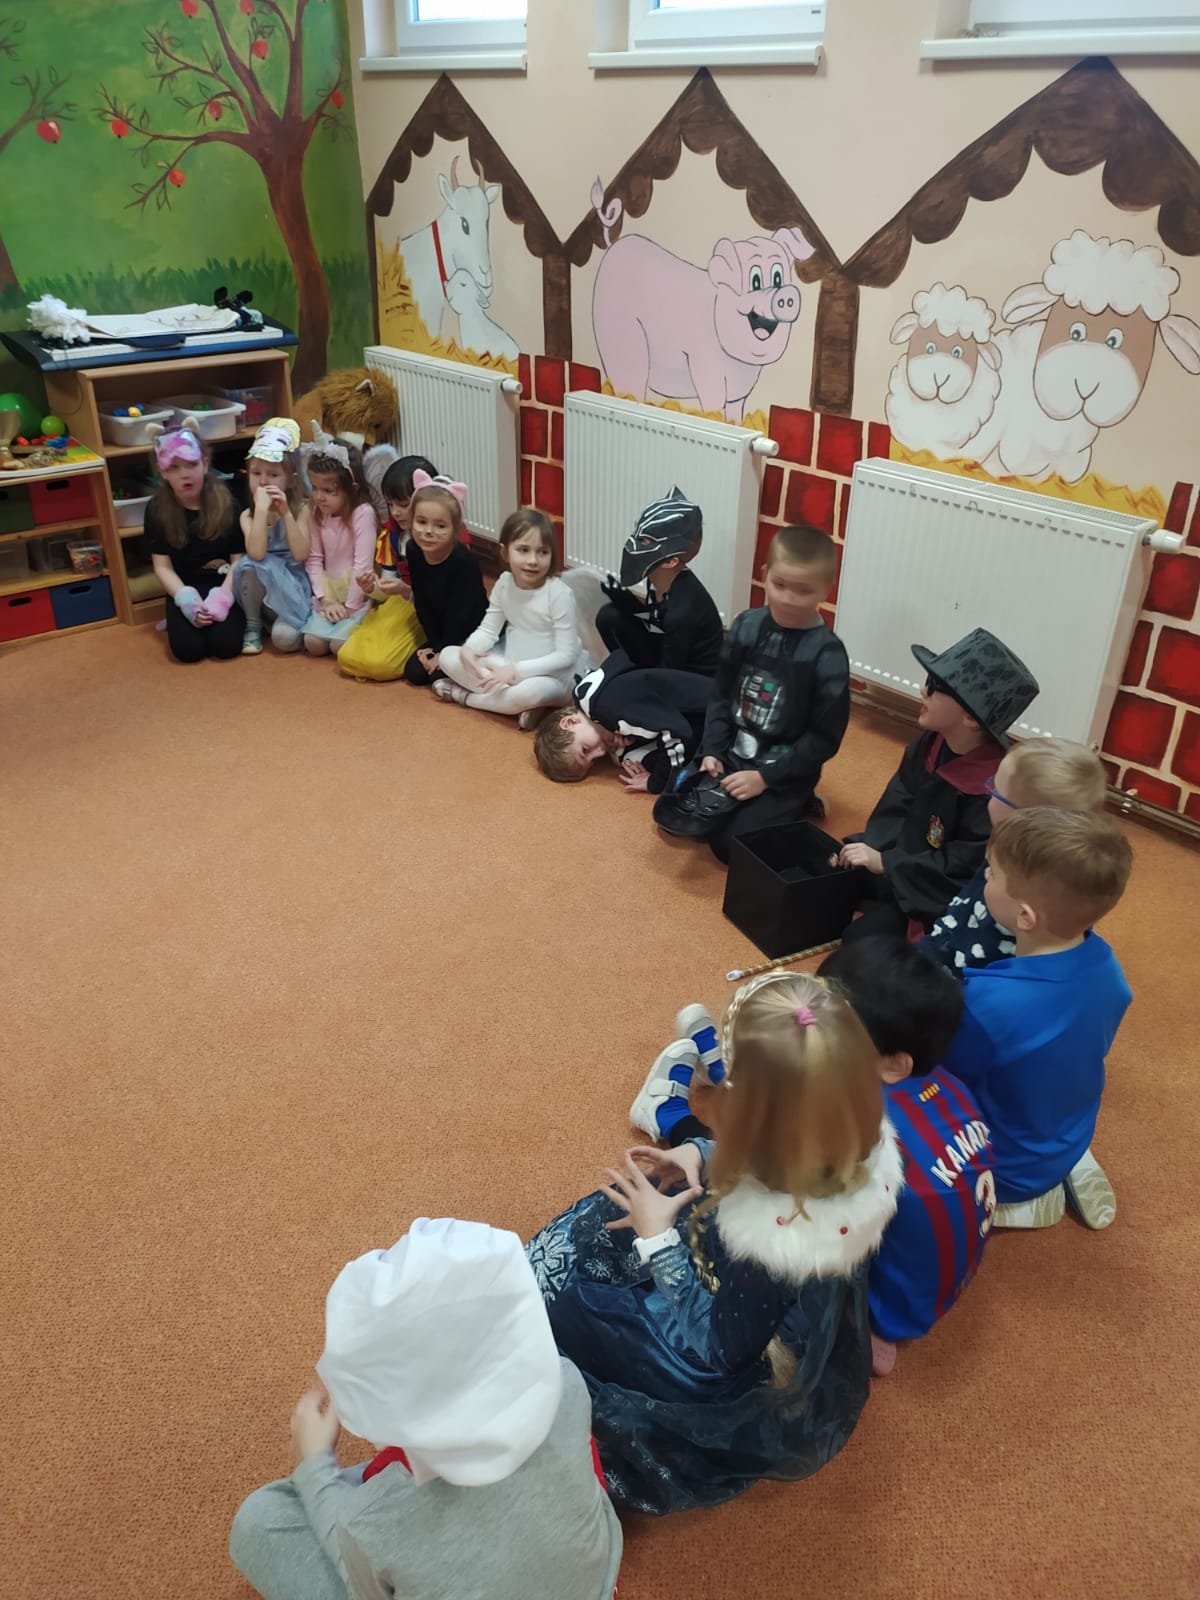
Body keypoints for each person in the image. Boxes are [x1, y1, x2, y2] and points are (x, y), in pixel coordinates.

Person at [526, 971, 902, 1515]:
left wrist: (658, 1239)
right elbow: (754, 1158)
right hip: (760, 1282)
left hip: (718, 1347)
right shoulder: (840, 1133)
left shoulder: (775, 1244)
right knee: (632, 1206)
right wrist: (700, 1153)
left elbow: (718, 1348)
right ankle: (669, 1128)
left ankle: (662, 1121)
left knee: (571, 1284)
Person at [629, 940, 988, 1381]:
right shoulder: (879, 1109)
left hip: (858, 1309)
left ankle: (673, 1114)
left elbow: (722, 1348)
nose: (812, 1021)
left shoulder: (783, 1215)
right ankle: (728, 1064)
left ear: (892, 1063)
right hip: (887, 1271)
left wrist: (657, 1242)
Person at [230, 1218, 622, 1600]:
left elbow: (362, 1586)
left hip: (391, 1531)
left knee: (260, 1519)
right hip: (591, 1584)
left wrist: (315, 1463)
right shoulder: (566, 1381)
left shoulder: (375, 1514)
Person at [942, 806, 1133, 1230]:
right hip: (1070, 1130)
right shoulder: (1109, 969)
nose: (984, 876)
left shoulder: (987, 1002)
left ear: (1025, 917)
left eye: (992, 873)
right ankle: (1063, 1163)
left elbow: (948, 1078)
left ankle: (1018, 1203)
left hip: (1004, 1167)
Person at [818, 939, 991, 1376]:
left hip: (888, 1307)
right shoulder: (950, 1085)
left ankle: (871, 1331)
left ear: (894, 1064)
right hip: (944, 1279)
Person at [655, 524, 849, 864]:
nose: (787, 598)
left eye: (803, 591)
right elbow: (721, 695)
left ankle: (800, 801)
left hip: (783, 768)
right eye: (779, 584)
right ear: (764, 575)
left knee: (729, 846)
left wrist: (765, 778)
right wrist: (712, 750)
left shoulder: (828, 655)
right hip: (734, 753)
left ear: (826, 589)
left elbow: (824, 739)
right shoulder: (747, 625)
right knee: (673, 815)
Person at [835, 627, 1039, 940]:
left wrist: (888, 864)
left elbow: (959, 868)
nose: (922, 691)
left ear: (969, 718)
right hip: (908, 860)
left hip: (938, 890)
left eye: (934, 688)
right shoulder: (931, 743)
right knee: (835, 868)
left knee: (858, 940)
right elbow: (898, 803)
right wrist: (875, 850)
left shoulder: (992, 792)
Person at [923, 736, 1107, 973]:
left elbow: (976, 959)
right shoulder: (1008, 849)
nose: (988, 793)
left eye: (995, 789)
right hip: (952, 934)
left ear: (1020, 818)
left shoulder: (1026, 893)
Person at [435, 509, 584, 729]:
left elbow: (566, 656)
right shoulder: (504, 583)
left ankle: (465, 697)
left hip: (554, 678)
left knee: (530, 692)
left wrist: (515, 671)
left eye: (542, 552)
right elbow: (488, 630)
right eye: (523, 550)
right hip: (510, 665)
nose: (532, 561)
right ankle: (515, 705)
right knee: (448, 655)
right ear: (505, 552)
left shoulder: (559, 594)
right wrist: (469, 649)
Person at [532, 648, 713, 793]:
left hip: (714, 713)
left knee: (649, 763)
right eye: (593, 761)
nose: (600, 753)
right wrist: (630, 734)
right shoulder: (589, 697)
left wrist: (656, 782)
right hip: (693, 698)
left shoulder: (611, 710)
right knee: (627, 756)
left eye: (585, 750)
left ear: (570, 722)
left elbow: (677, 733)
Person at [596, 487, 724, 677]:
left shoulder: (683, 609)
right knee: (609, 616)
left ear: (670, 561)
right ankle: (626, 672)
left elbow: (668, 673)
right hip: (668, 652)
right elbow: (657, 628)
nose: (633, 543)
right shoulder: (661, 583)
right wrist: (630, 605)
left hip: (691, 681)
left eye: (645, 541)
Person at [145, 423, 246, 664]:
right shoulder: (157, 510)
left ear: (205, 464)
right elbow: (162, 567)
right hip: (183, 588)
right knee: (188, 651)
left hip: (223, 584)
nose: (185, 474)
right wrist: (185, 600)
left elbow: (239, 560)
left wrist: (222, 598)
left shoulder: (228, 503)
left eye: (191, 464)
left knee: (225, 646)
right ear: (163, 472)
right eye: (174, 467)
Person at [338, 454, 436, 683]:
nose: (396, 512)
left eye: (403, 504)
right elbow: (387, 588)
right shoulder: (393, 536)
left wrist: (406, 591)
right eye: (390, 504)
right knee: (348, 655)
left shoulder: (442, 541)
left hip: (430, 610)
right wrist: (372, 587)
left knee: (381, 664)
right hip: (401, 603)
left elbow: (443, 597)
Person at [402, 471, 488, 687]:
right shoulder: (413, 549)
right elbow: (422, 600)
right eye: (421, 522)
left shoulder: (464, 561)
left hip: (469, 631)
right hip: (440, 631)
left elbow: (463, 614)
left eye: (440, 526)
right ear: (411, 521)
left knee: (438, 675)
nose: (428, 532)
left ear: (455, 529)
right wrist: (434, 644)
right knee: (414, 673)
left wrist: (444, 650)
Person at [234, 418, 312, 655]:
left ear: (291, 480)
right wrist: (260, 511)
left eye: (273, 474)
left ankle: (285, 624)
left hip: (292, 590)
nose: (263, 481)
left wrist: (285, 513)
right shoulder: (247, 516)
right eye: (256, 473)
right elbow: (257, 554)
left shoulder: (302, 509)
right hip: (261, 591)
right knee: (249, 566)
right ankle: (253, 624)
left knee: (284, 641)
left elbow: (300, 554)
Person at [301, 438, 377, 658]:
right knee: (313, 643)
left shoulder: (363, 513)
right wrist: (326, 601)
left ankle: (354, 624)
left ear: (351, 489)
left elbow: (362, 565)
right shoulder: (317, 511)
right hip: (329, 593)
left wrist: (349, 608)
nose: (319, 497)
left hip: (356, 595)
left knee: (338, 647)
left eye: (328, 490)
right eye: (314, 488)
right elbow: (314, 559)